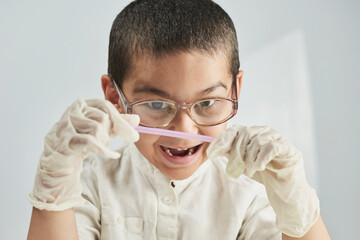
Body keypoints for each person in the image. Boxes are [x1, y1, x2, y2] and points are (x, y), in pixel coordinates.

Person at [27, 0, 331, 239]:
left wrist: (296, 205)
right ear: (114, 97)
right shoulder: (88, 182)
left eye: (208, 103)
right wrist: (53, 187)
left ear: (236, 89)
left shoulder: (252, 190)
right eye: (157, 104)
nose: (184, 131)